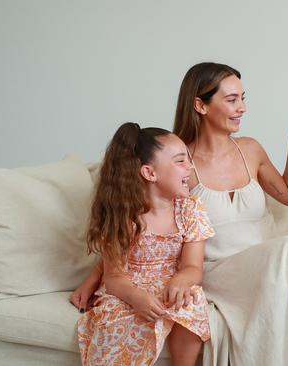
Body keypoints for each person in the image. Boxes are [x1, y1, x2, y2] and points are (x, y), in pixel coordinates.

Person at [73, 63, 288, 366]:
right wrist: (97, 276)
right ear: (200, 105)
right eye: (232, 100)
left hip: (262, 270)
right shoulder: (179, 162)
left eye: (243, 98)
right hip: (211, 272)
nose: (242, 108)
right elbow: (135, 219)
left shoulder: (250, 150)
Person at [76, 123, 215, 366]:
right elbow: (114, 277)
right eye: (180, 161)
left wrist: (182, 280)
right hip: (128, 288)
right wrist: (137, 298)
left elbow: (193, 267)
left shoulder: (190, 209)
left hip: (170, 282)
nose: (190, 167)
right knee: (113, 323)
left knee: (190, 301)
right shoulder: (121, 215)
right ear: (150, 173)